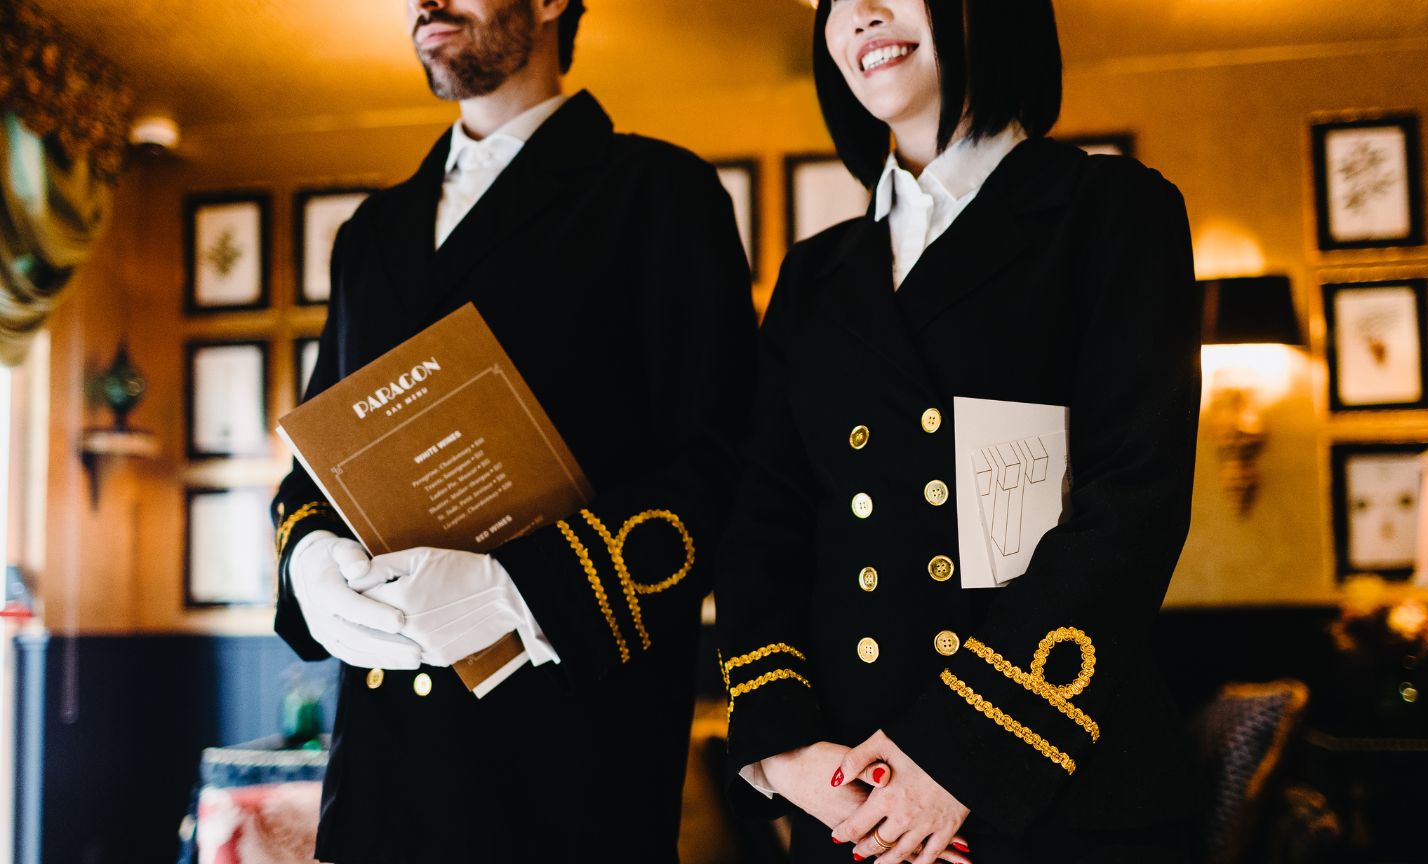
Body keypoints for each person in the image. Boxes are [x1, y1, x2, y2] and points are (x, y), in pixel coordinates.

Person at [715, 0, 1203, 862]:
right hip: (852, 803)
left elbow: (1135, 498)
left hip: (1059, 796)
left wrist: (955, 756)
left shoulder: (1110, 209)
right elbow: (763, 526)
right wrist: (788, 756)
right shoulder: (814, 274)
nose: (859, 15)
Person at [269, 1, 756, 860]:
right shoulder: (370, 234)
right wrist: (308, 562)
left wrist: (522, 592)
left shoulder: (658, 194)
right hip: (380, 785)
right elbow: (318, 465)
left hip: (566, 783)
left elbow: (723, 465)